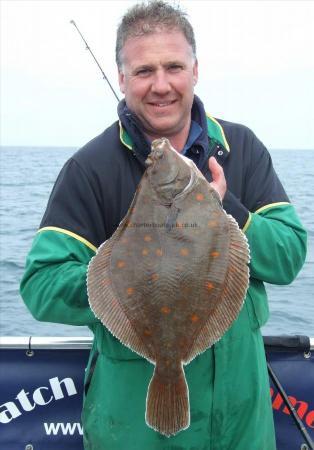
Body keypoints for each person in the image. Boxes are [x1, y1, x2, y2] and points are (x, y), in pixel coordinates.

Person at [20, 1, 307, 449]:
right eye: (143, 71)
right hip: (135, 430)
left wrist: (227, 207)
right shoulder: (91, 168)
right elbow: (41, 285)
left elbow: (288, 256)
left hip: (240, 425)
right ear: (121, 78)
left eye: (173, 66)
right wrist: (119, 278)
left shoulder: (242, 148)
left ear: (195, 70)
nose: (160, 85)